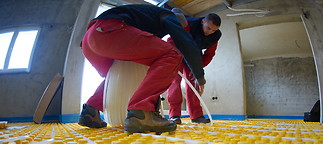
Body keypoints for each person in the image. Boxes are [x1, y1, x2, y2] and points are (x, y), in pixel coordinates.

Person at [78, 4, 205, 133]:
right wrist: (200, 77)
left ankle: (90, 111)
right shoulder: (169, 16)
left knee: (122, 72)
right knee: (172, 54)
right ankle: (142, 112)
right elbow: (185, 43)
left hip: (90, 40)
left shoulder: (146, 19)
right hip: (110, 31)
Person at [167, 13, 221, 124]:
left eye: (213, 30)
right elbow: (177, 40)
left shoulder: (215, 37)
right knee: (174, 82)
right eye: (208, 28)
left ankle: (196, 115)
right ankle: (174, 115)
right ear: (202, 22)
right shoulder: (188, 24)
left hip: (194, 55)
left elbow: (209, 54)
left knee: (194, 84)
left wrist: (198, 68)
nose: (210, 32)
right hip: (176, 51)